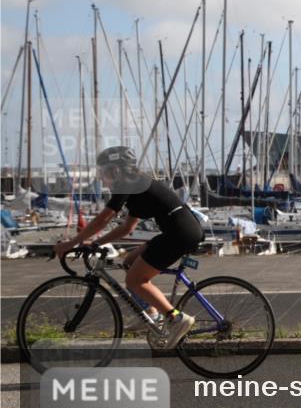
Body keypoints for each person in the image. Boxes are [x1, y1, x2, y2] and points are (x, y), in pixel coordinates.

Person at [54, 146, 203, 348]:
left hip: (179, 234)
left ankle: (175, 318)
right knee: (129, 261)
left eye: (103, 172)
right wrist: (96, 243)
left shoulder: (127, 184)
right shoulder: (136, 185)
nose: (101, 178)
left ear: (115, 170)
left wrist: (71, 243)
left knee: (135, 280)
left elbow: (103, 219)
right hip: (178, 231)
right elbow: (126, 228)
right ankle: (151, 313)